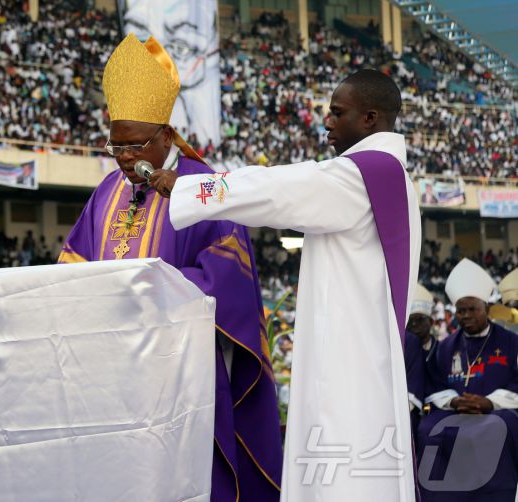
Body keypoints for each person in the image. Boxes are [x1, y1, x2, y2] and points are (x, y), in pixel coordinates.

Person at [150, 68, 421, 501]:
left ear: (370, 118)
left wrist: (192, 188)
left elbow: (280, 189)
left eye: (337, 112)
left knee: (344, 475)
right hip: (358, 357)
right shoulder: (390, 176)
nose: (327, 121)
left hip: (348, 370)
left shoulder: (363, 175)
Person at [58, 33, 282, 501]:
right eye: (115, 146)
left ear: (165, 136)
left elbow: (228, 284)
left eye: (135, 146)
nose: (123, 158)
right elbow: (72, 263)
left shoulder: (204, 187)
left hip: (181, 370)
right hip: (114, 367)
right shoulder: (107, 191)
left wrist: (147, 288)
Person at [419, 258, 518, 501]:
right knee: (427, 427)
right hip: (456, 414)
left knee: (506, 424)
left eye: (472, 309)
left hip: (498, 412)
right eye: (461, 310)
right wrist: (454, 402)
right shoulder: (445, 347)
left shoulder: (511, 342)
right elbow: (433, 384)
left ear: (485, 307)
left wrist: (489, 403)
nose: (465, 316)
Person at [405, 284, 438, 438]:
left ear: (431, 322)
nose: (414, 325)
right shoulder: (404, 350)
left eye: (419, 320)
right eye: (410, 321)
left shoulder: (442, 349)